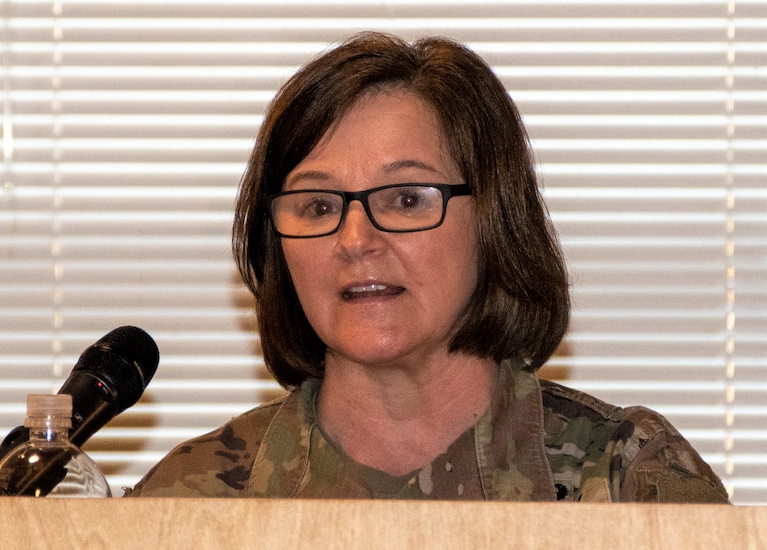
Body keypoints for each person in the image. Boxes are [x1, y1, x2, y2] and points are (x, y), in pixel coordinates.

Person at [128, 32, 728, 502]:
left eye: (407, 199)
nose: (355, 238)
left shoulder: (627, 479)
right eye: (317, 206)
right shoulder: (192, 493)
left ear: (493, 218)